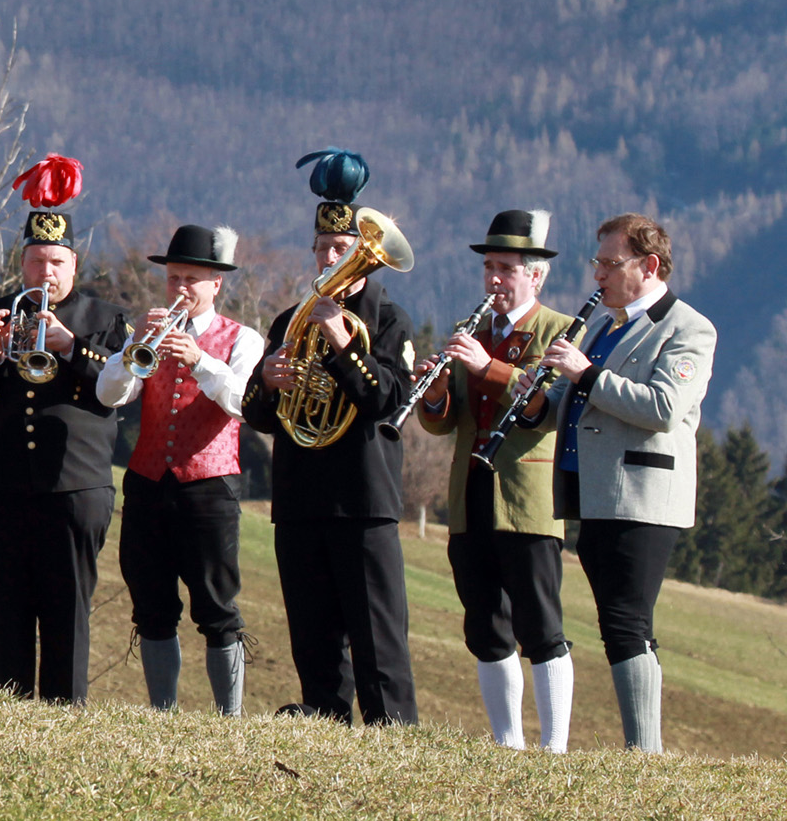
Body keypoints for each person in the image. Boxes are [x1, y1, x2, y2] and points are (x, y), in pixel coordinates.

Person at [0, 157, 128, 704]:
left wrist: (71, 347)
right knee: (3, 607)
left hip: (74, 489)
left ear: (74, 264)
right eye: (38, 261)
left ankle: (65, 718)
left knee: (68, 610)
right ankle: (7, 712)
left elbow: (117, 389)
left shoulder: (104, 318)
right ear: (22, 263)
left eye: (58, 262)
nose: (47, 273)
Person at [240, 148, 419, 725]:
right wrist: (267, 381)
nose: (329, 258)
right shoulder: (290, 319)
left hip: (362, 499)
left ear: (364, 258)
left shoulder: (388, 321)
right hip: (300, 496)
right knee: (311, 629)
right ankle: (323, 715)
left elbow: (388, 400)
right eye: (322, 249)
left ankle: (392, 729)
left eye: (341, 250)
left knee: (376, 635)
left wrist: (343, 343)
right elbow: (259, 414)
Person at [527, 213, 714, 753]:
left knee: (626, 619)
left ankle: (644, 753)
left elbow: (662, 407)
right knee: (619, 620)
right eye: (598, 263)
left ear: (649, 265)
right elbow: (581, 403)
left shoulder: (688, 328)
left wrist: (584, 373)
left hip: (644, 496)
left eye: (610, 264)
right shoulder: (609, 326)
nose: (598, 276)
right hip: (599, 491)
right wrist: (541, 399)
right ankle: (643, 750)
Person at [414, 210, 575, 751]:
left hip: (527, 498)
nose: (495, 280)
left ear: (537, 276)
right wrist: (433, 393)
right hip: (471, 495)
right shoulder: (472, 332)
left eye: (506, 268)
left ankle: (553, 747)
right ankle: (508, 743)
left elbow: (543, 408)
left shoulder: (559, 329)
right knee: (483, 622)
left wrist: (489, 368)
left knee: (540, 624)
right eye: (489, 268)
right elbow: (443, 423)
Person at [96, 223, 262, 715]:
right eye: (173, 279)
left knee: (216, 607)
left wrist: (201, 361)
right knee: (151, 606)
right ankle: (162, 713)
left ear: (217, 285)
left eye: (191, 280)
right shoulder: (146, 333)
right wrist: (132, 351)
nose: (181, 289)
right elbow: (110, 395)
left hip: (209, 486)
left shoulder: (242, 338)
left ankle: (229, 719)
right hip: (147, 484)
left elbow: (245, 404)